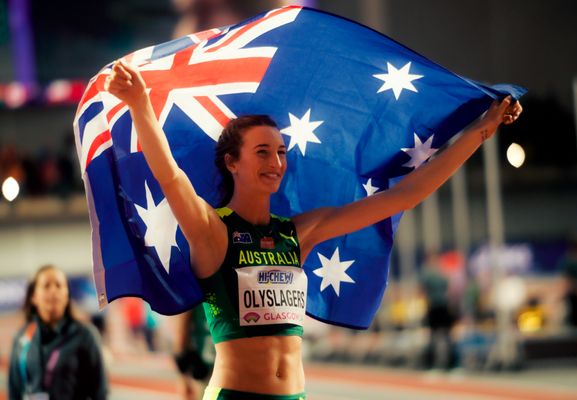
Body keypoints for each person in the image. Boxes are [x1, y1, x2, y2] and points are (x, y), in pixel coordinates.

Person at [105, 59, 522, 399]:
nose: (276, 162)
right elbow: (171, 178)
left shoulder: (299, 233)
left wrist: (482, 129)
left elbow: (402, 197)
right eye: (262, 152)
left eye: (281, 152)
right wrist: (140, 103)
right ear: (232, 162)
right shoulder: (213, 232)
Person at [8, 265, 108, 400]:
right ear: (33, 296)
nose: (53, 291)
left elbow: (100, 393)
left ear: (67, 295)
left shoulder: (85, 336)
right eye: (46, 285)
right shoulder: (22, 338)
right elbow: (14, 390)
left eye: (59, 285)